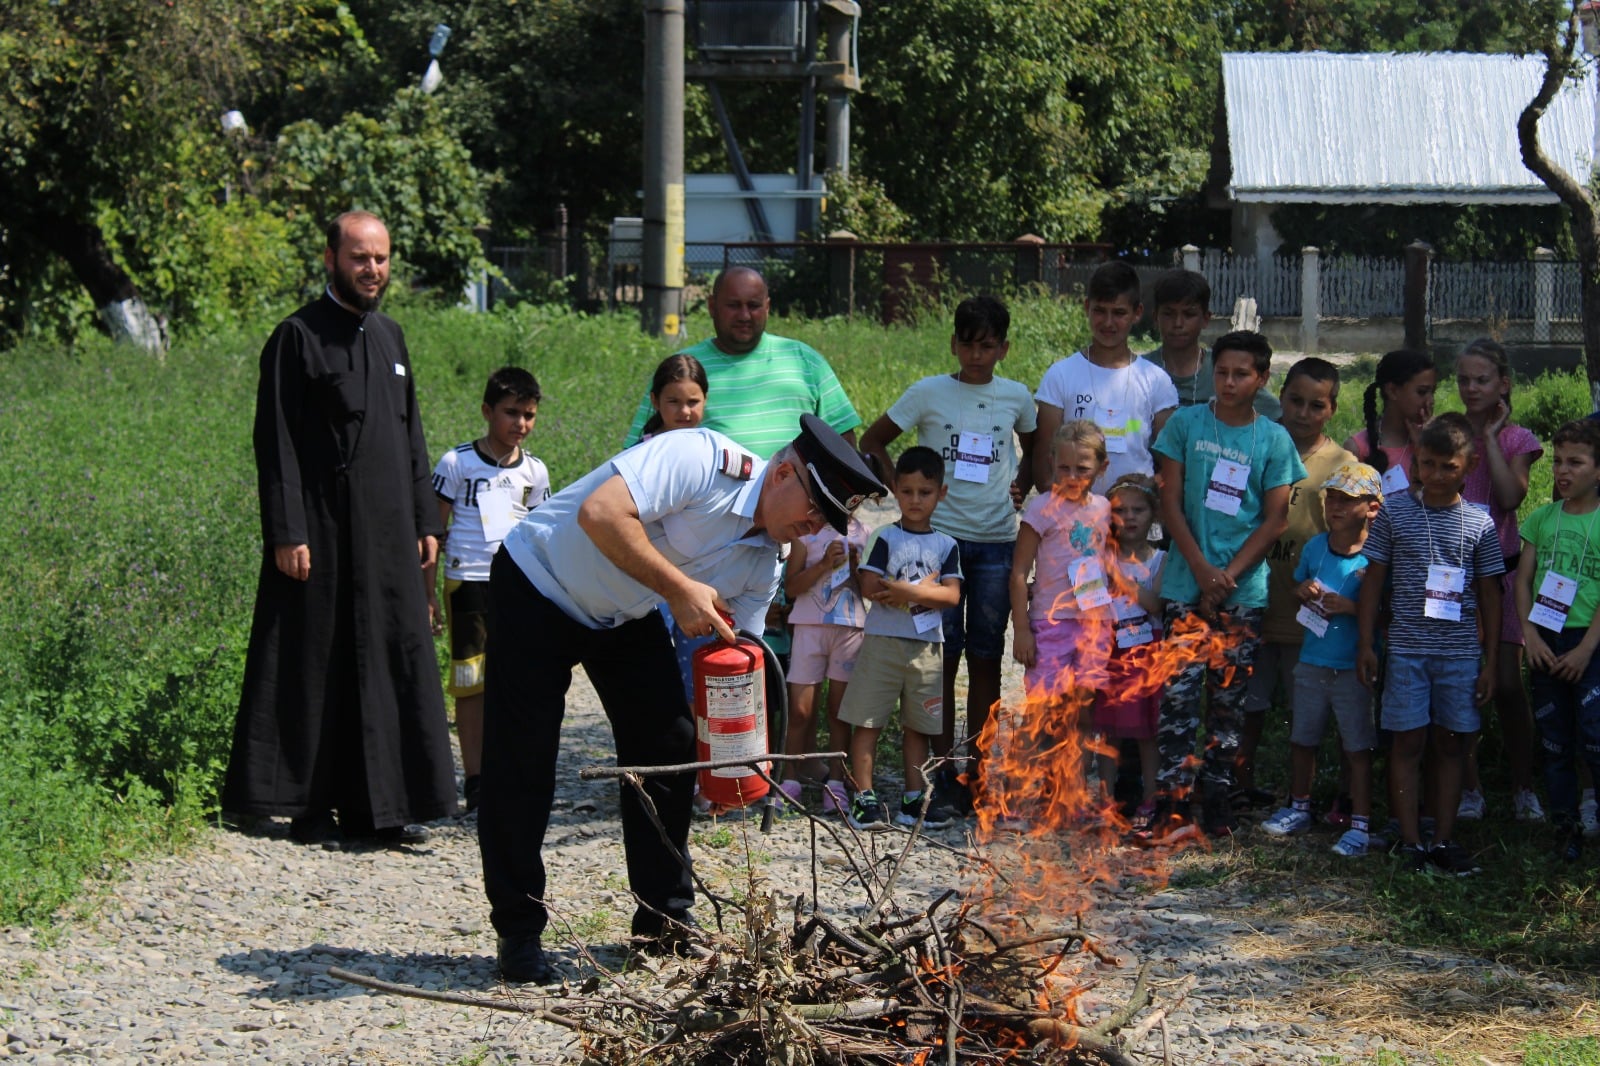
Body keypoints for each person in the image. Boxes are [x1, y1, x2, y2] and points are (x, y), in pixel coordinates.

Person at [480, 415, 886, 983]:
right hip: (537, 582)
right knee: (522, 762)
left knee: (669, 747)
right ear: (784, 473)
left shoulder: (762, 562)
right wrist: (678, 589)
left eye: (824, 522)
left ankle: (663, 921)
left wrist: (733, 760)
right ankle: (519, 932)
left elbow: (732, 668)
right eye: (813, 512)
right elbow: (599, 514)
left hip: (623, 613)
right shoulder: (700, 460)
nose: (811, 529)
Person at [222, 210, 455, 849]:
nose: (372, 270)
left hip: (387, 538)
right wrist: (286, 530)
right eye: (359, 258)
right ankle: (305, 804)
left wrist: (421, 517)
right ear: (330, 259)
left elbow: (411, 435)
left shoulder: (391, 336)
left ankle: (383, 808)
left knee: (390, 659)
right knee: (316, 661)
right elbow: (277, 444)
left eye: (380, 258)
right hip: (319, 535)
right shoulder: (296, 338)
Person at [859, 295, 1037, 813]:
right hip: (938, 545)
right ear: (953, 343)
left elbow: (1033, 448)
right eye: (967, 344)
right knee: (939, 656)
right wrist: (902, 492)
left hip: (997, 542)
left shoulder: (1017, 396)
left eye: (987, 346)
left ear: (1003, 348)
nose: (976, 355)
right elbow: (874, 439)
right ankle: (941, 771)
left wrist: (1022, 484)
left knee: (986, 656)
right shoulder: (928, 393)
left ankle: (981, 769)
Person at [1149, 330, 1307, 838]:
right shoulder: (1185, 425)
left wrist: (1228, 577)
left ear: (1262, 379)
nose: (1230, 382)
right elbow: (1168, 502)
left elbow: (1275, 519)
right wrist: (1198, 569)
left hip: (1243, 593)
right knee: (1178, 696)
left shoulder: (1274, 439)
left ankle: (1217, 796)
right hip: (1183, 584)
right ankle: (1171, 799)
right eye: (1222, 372)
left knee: (1227, 699)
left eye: (1242, 374)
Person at [1357, 413, 1502, 876]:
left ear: (1470, 465)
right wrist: (1366, 644)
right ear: (1416, 462)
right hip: (1405, 651)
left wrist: (1492, 663)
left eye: (1448, 467)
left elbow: (1490, 596)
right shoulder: (1395, 511)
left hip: (1460, 654)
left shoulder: (1480, 522)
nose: (1436, 475)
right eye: (1428, 464)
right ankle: (1411, 841)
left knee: (1452, 743)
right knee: (1407, 742)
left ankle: (1443, 840)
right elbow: (1373, 582)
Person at [426, 367, 551, 814]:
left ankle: (509, 773)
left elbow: (540, 534)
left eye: (529, 415)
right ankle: (476, 776)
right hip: (468, 582)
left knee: (514, 678)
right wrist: (427, 594)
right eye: (510, 412)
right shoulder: (456, 463)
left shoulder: (534, 471)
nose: (520, 423)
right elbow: (431, 534)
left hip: (515, 585)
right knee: (470, 682)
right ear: (487, 412)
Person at [1239, 359, 1357, 807]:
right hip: (1251, 598)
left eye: (1316, 405)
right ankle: (1239, 783)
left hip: (1308, 612)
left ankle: (1321, 796)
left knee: (1309, 710)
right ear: (1280, 397)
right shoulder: (1254, 443)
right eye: (1295, 401)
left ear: (1332, 409)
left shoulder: (1342, 464)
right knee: (1248, 704)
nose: (1303, 413)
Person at [1260, 463, 1383, 857]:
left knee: (1357, 747)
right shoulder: (1315, 547)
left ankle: (1360, 824)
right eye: (1332, 498)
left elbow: (1390, 611)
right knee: (1302, 737)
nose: (1336, 507)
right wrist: (1303, 589)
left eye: (1348, 500)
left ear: (1372, 508)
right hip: (1312, 658)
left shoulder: (1376, 558)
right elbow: (1299, 583)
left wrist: (1353, 607)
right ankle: (1299, 806)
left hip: (1352, 667)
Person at [838, 447, 963, 832]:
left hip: (927, 648)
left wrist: (906, 593)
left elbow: (952, 596)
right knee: (869, 720)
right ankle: (865, 797)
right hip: (883, 642)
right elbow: (871, 584)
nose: (915, 500)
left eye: (924, 492)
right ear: (894, 489)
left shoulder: (947, 544)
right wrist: (921, 589)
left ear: (941, 493)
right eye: (906, 491)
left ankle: (914, 798)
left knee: (919, 725)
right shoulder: (885, 536)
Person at [623, 266, 861, 458]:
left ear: (767, 307)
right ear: (712, 307)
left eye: (754, 306)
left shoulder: (805, 361)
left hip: (800, 510)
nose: (744, 315)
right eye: (734, 305)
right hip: (711, 512)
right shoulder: (683, 369)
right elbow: (637, 451)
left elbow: (844, 441)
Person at [1454, 338, 1545, 823]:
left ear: (1503, 384)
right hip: (1455, 580)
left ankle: (1523, 784)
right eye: (1464, 380)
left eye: (1482, 379)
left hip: (1504, 576)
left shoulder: (1519, 440)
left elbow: (1509, 498)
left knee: (1509, 686)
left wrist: (1489, 438)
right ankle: (1469, 787)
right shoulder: (1446, 434)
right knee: (1463, 684)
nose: (1471, 388)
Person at [1516, 419, 1600, 862]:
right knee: (1554, 739)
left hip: (1591, 643)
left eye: (1576, 462)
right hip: (1545, 639)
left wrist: (1586, 649)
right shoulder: (1541, 519)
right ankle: (1565, 829)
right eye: (1559, 461)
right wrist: (1529, 635)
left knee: (1595, 736)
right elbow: (1523, 582)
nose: (1563, 471)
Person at [1033, 261, 1179, 496]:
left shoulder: (1156, 381)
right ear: (1087, 307)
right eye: (1100, 310)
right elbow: (1043, 459)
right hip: (1075, 518)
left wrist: (1149, 500)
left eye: (1119, 312)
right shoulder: (1060, 375)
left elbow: (1171, 461)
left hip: (1133, 520)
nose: (1108, 322)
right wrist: (1064, 512)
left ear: (1137, 313)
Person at [779, 513, 869, 814]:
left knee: (839, 711)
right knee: (800, 711)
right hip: (808, 627)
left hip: (850, 628)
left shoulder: (861, 532)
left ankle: (837, 782)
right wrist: (823, 565)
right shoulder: (805, 533)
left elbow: (866, 588)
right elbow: (791, 588)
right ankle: (790, 779)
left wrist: (856, 566)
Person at [1093, 474, 1166, 832]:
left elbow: (1155, 603)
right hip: (1109, 649)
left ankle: (1150, 798)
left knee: (1146, 732)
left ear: (1153, 514)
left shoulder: (1160, 560)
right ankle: (1105, 801)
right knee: (1109, 731)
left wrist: (1120, 579)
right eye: (1121, 510)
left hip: (1145, 653)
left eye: (1139, 509)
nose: (1131, 517)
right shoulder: (1100, 557)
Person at [1143, 269, 1281, 419]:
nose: (1178, 323)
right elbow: (1125, 426)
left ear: (1205, 318)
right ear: (1155, 317)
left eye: (1189, 314)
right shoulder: (1139, 372)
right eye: (1169, 314)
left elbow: (1278, 415)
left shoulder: (1225, 370)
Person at [1344, 349, 1438, 496]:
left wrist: (1426, 448)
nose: (1430, 401)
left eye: (1433, 392)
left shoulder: (1435, 444)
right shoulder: (1358, 448)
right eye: (1422, 392)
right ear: (1392, 391)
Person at [640, 353, 709, 439]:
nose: (684, 411)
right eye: (674, 401)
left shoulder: (713, 447)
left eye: (693, 401)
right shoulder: (644, 450)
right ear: (655, 401)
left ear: (705, 399)